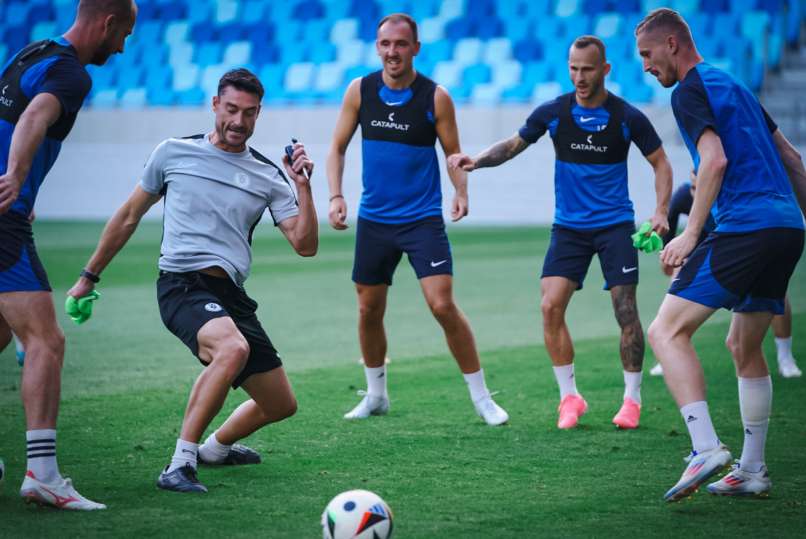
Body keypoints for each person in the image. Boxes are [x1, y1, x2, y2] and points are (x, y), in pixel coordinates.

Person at [67, 69, 318, 493]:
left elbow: (305, 244)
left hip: (230, 295)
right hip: (181, 284)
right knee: (232, 349)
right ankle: (179, 464)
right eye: (232, 110)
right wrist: (88, 276)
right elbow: (129, 216)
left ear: (259, 115)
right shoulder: (173, 152)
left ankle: (215, 449)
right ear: (215, 105)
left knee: (280, 403)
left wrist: (303, 186)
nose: (239, 122)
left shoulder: (268, 175)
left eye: (250, 113)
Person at [449, 35, 672, 430]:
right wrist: (477, 161)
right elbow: (514, 145)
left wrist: (659, 211)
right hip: (569, 228)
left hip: (614, 225)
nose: (580, 77)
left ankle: (632, 400)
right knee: (550, 306)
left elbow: (660, 163)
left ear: (605, 70)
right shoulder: (554, 112)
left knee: (625, 311)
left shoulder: (626, 117)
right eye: (573, 68)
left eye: (587, 69)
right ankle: (570, 398)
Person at [636, 8, 806, 501]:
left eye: (647, 55)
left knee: (666, 331)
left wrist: (690, 234)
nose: (646, 66)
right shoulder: (733, 84)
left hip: (747, 227)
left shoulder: (688, 89)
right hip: (786, 227)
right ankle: (752, 470)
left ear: (672, 44)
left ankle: (705, 446)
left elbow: (715, 161)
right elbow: (792, 158)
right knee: (744, 346)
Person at [326, 13, 508, 426]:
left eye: (401, 44)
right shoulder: (360, 90)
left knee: (442, 305)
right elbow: (336, 147)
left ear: (415, 49)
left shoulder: (435, 96)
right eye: (385, 44)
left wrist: (461, 191)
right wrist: (336, 196)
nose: (393, 52)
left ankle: (482, 398)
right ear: (377, 47)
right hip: (374, 220)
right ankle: (375, 395)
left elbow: (454, 155)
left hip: (421, 220)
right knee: (368, 309)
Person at [0, 0, 137, 510]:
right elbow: (35, 115)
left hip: (11, 211)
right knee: (46, 340)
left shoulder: (31, 52)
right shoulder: (72, 74)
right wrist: (15, 178)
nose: (122, 47)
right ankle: (42, 473)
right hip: (3, 217)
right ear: (107, 23)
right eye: (123, 34)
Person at [651, 175, 801, 378]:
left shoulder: (729, 198)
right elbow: (668, 244)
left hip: (739, 241)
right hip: (705, 246)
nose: (697, 193)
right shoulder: (684, 196)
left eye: (701, 186)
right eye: (694, 187)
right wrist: (668, 257)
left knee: (775, 292)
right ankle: (669, 353)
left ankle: (786, 357)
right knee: (678, 278)